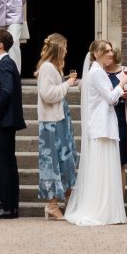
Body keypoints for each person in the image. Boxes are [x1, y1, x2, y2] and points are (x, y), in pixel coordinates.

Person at [65, 39, 127, 226]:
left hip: (103, 125)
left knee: (105, 170)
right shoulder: (98, 73)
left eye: (110, 50)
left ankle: (106, 209)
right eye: (106, 51)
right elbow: (110, 98)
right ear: (96, 54)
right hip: (102, 127)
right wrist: (122, 82)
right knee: (103, 169)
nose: (111, 54)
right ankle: (102, 210)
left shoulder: (95, 72)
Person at [34, 33, 75, 218]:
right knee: (51, 162)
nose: (66, 51)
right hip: (51, 123)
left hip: (58, 120)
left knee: (64, 159)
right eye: (64, 47)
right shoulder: (48, 68)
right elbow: (48, 95)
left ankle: (69, 197)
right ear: (59, 48)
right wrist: (68, 83)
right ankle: (51, 204)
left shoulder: (53, 68)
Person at [0, 28, 24, 218]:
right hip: (5, 121)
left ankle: (7, 206)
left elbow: (7, 91)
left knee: (3, 163)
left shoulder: (5, 64)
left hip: (4, 121)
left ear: (0, 45)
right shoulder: (1, 63)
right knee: (7, 162)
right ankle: (11, 206)